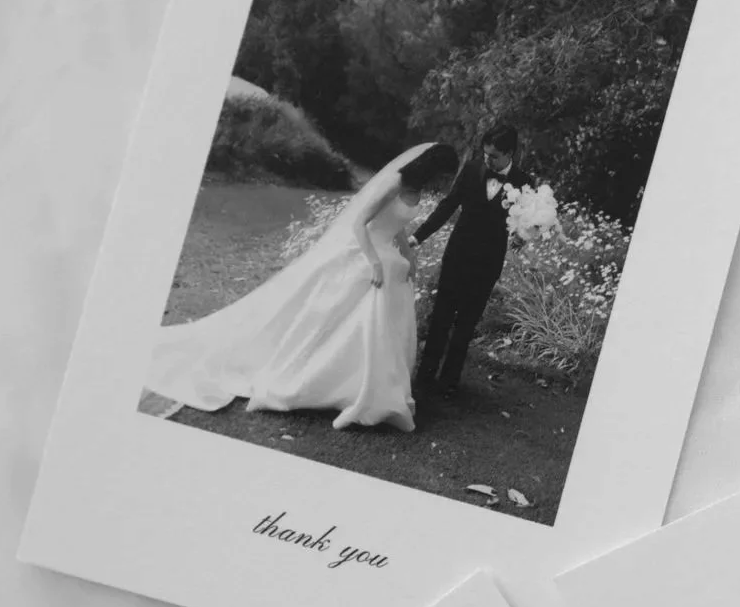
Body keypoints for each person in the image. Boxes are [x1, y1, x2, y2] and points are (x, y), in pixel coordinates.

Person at [146, 140, 459, 431]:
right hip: (366, 252)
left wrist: (408, 255)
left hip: (390, 257)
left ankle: (379, 387)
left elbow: (397, 225)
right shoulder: (396, 182)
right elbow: (359, 222)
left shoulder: (417, 189)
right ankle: (337, 384)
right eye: (442, 175)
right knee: (355, 311)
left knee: (388, 301)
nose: (442, 182)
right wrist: (374, 261)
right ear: (431, 167)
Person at [410, 123, 523, 396]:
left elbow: (525, 222)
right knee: (441, 318)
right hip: (457, 255)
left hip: (488, 263)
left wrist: (523, 236)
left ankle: (449, 381)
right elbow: (447, 205)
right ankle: (425, 376)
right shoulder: (472, 169)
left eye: (494, 156)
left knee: (467, 323)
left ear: (510, 153)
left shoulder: (524, 183)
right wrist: (418, 237)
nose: (488, 160)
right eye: (485, 154)